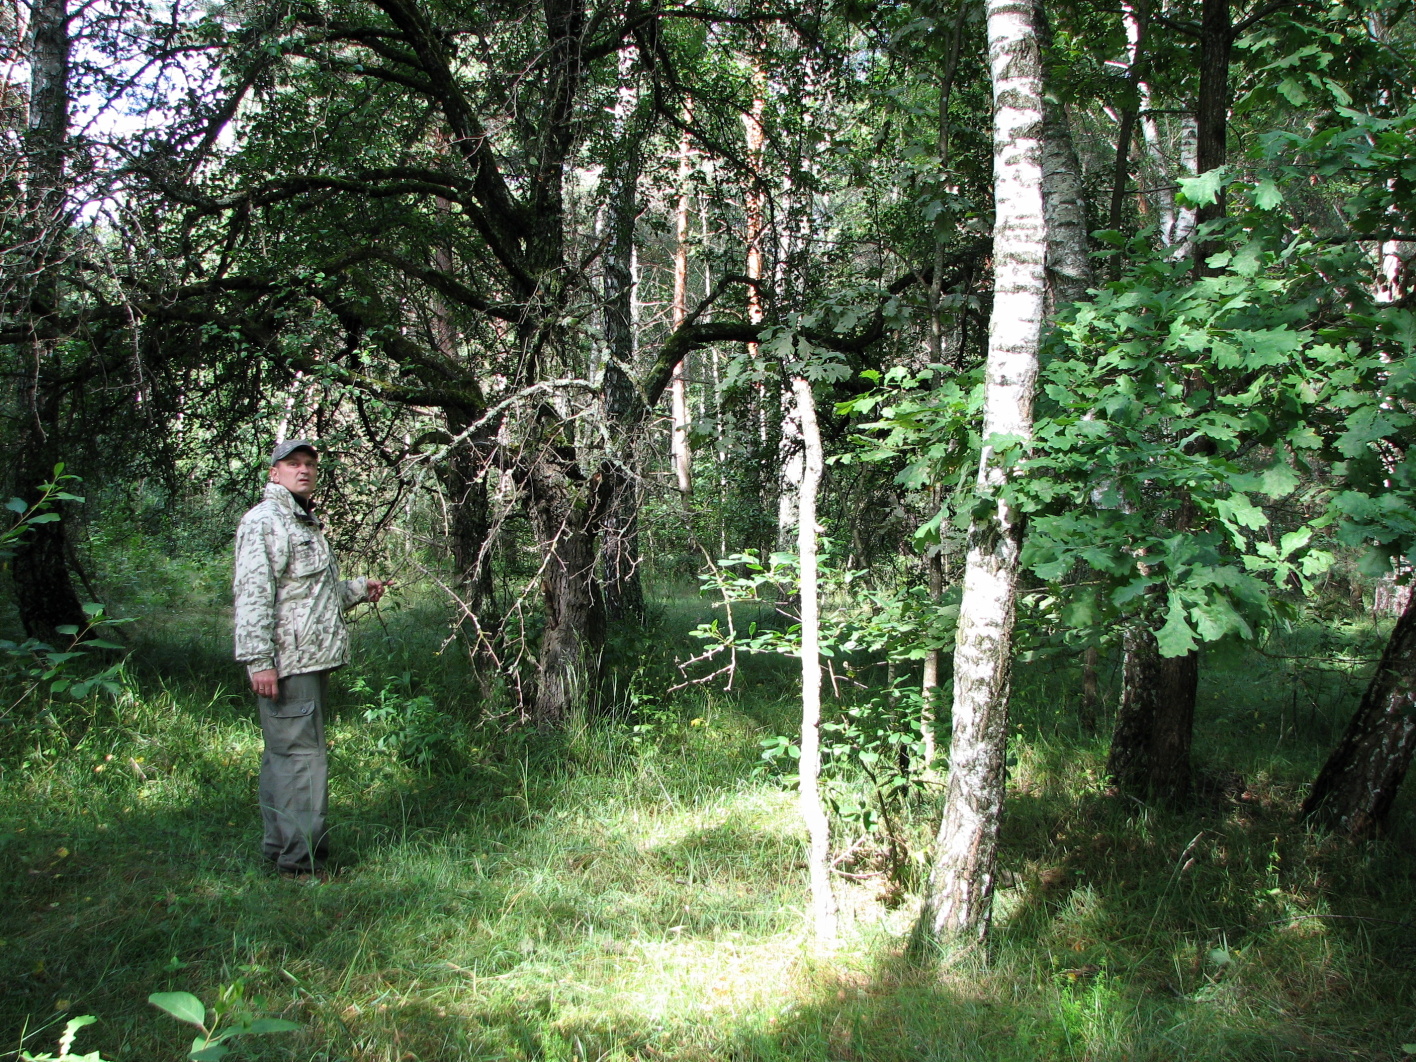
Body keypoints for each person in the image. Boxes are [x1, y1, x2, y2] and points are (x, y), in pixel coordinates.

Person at [233, 439, 388, 878]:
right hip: (288, 663)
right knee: (301, 760)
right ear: (273, 473)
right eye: (293, 464)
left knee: (285, 756)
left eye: (309, 464)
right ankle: (301, 865)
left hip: (311, 659)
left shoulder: (304, 522)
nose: (303, 470)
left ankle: (279, 849)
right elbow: (252, 596)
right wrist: (259, 660)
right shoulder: (264, 521)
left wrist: (358, 589)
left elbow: (310, 596)